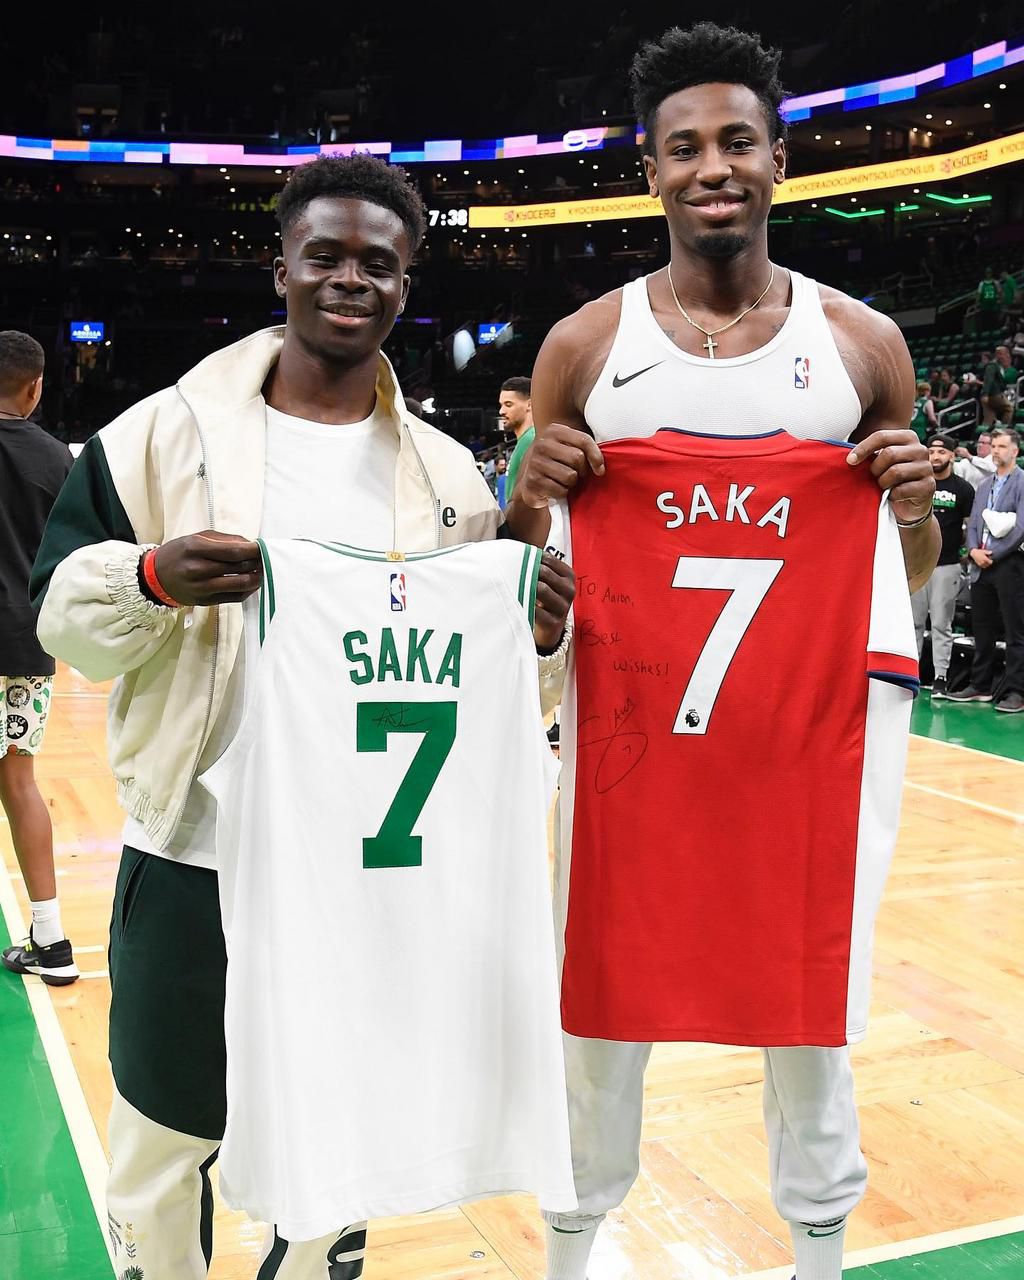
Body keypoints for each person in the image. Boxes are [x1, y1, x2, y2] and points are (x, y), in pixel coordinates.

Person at [31, 155, 574, 1280]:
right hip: (193, 856)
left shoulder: (442, 476)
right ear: (280, 265)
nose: (348, 279)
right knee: (167, 1127)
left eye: (378, 263)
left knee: (345, 1115)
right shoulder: (159, 435)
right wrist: (153, 579)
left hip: (362, 871)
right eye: (323, 255)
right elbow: (61, 623)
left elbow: (475, 684)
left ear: (405, 284)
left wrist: (530, 624)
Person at [504, 22, 937, 1280]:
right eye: (683, 145)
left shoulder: (861, 347)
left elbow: (892, 588)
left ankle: (818, 1256)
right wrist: (532, 491)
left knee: (807, 1023)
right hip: (632, 757)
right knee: (598, 1018)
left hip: (796, 755)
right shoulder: (585, 349)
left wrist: (909, 508)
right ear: (649, 170)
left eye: (735, 141)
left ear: (777, 159)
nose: (712, 166)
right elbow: (521, 577)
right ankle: (574, 1254)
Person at [0, 331, 78, 986]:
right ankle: (51, 942)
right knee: (19, 782)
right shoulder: (58, 459)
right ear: (35, 388)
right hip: (25, 647)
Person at [947, 427, 1024, 712]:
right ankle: (980, 685)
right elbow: (974, 524)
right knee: (982, 628)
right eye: (994, 446)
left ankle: (1016, 691)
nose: (995, 451)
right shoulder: (984, 485)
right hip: (980, 564)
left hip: (1009, 564)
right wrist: (973, 552)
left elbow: (1021, 529)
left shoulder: (1021, 483)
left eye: (1002, 447)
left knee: (1015, 631)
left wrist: (994, 554)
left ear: (1015, 451)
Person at [910, 434, 974, 698]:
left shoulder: (963, 489)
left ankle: (940, 677)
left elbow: (970, 527)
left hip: (946, 565)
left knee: (940, 624)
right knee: (912, 624)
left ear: (952, 456)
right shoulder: (916, 485)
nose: (936, 456)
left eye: (941, 452)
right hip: (915, 564)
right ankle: (910, 675)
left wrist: (965, 554)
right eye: (931, 451)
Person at [498, 375, 535, 499]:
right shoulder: (524, 441)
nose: (501, 411)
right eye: (501, 405)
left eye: (508, 404)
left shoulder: (532, 440)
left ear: (529, 405)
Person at [980, 345, 1017, 427]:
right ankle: (1003, 428)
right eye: (1001, 354)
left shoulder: (998, 366)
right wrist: (985, 394)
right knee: (1009, 408)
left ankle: (982, 435)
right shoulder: (993, 365)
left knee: (988, 418)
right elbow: (988, 380)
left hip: (990, 395)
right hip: (994, 394)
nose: (1004, 356)